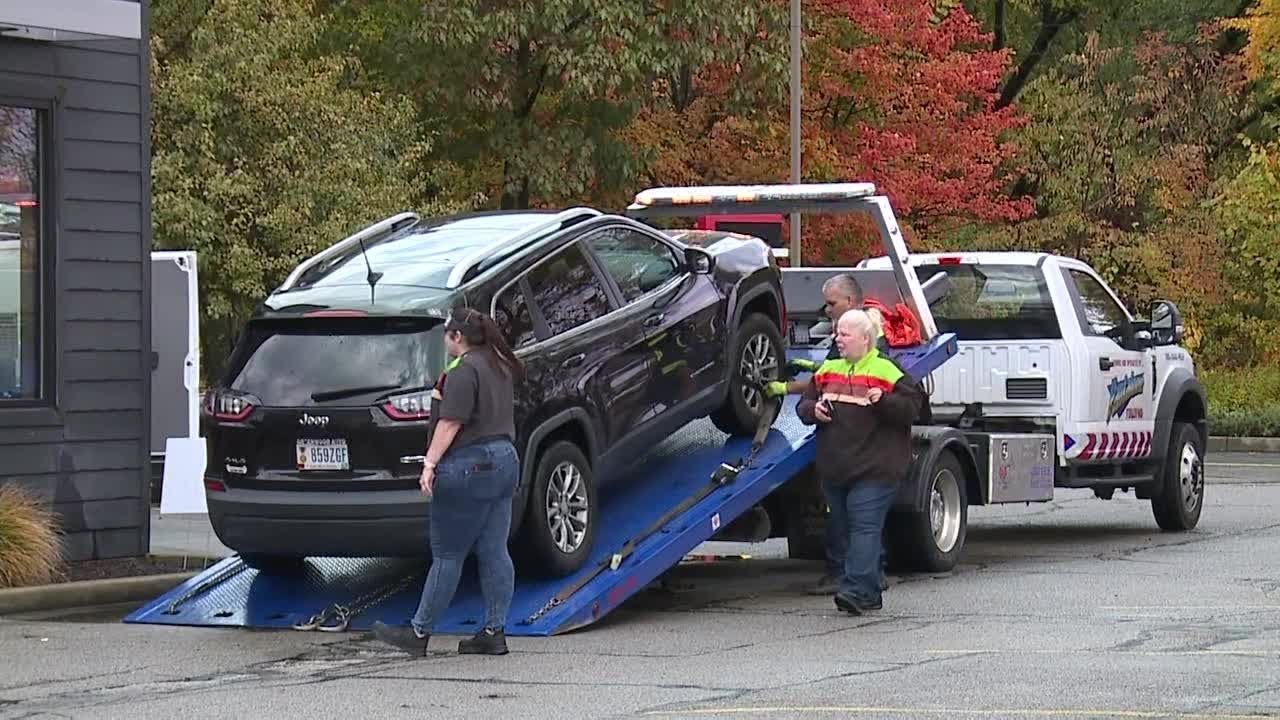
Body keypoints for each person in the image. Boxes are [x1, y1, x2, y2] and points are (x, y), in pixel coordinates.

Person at [372, 308, 524, 656]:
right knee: (494, 550)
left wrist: (429, 464)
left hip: (470, 465)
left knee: (447, 555)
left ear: (458, 337)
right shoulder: (499, 365)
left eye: (446, 333)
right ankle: (494, 631)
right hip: (505, 460)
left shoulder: (463, 371)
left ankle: (418, 632)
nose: (444, 339)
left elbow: (450, 423)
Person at [762, 273, 887, 595]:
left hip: (854, 451)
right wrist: (809, 389)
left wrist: (785, 388)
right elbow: (828, 376)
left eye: (831, 303)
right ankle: (869, 575)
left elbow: (831, 380)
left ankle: (847, 577)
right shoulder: (858, 335)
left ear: (850, 301)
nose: (826, 310)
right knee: (858, 519)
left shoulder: (864, 340)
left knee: (849, 519)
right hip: (850, 451)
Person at [796, 308, 923, 614]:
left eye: (844, 334)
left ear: (865, 339)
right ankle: (871, 587)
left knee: (863, 527)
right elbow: (803, 406)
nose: (837, 339)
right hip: (836, 470)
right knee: (845, 529)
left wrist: (884, 401)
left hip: (876, 469)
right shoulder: (828, 369)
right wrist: (813, 411)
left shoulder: (887, 370)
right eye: (836, 333)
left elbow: (913, 409)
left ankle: (857, 590)